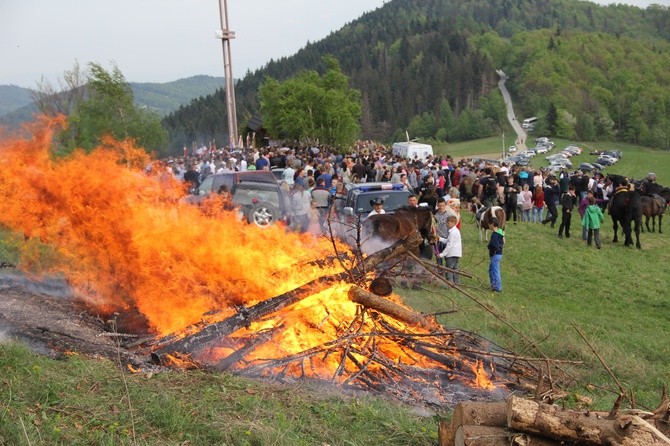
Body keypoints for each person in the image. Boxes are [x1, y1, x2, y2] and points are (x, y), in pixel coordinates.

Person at [437, 215, 462, 285]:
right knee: (455, 269)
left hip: (451, 254)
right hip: (456, 253)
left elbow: (449, 245)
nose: (447, 224)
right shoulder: (454, 231)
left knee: (449, 269)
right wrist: (439, 238)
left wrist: (441, 254)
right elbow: (447, 241)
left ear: (453, 223)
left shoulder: (453, 233)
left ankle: (449, 284)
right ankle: (457, 283)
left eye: (448, 223)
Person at [487, 217, 504, 293]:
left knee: (495, 271)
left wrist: (489, 246)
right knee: (491, 270)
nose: (489, 226)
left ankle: (497, 288)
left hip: (495, 254)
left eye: (489, 224)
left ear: (493, 224)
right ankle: (493, 285)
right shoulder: (499, 231)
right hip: (498, 254)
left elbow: (495, 245)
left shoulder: (495, 234)